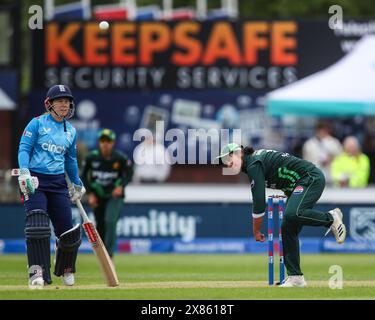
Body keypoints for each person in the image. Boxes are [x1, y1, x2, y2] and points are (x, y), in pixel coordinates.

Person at [217, 143, 346, 287]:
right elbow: (282, 171)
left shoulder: (253, 164)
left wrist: (256, 231)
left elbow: (259, 202)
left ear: (239, 153)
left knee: (293, 214)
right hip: (298, 184)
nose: (227, 164)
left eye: (228, 159)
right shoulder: (252, 163)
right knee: (287, 227)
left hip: (310, 178)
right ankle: (296, 277)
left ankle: (331, 218)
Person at [17, 84, 85, 289]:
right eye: (60, 101)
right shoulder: (36, 124)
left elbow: (70, 161)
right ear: (49, 104)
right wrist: (24, 171)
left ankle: (66, 268)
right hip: (35, 180)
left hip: (57, 183)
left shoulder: (70, 131)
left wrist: (77, 184)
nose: (65, 105)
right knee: (37, 226)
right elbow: (24, 149)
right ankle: (36, 272)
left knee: (68, 233)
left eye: (67, 101)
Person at [81, 128, 133, 257]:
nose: (105, 144)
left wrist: (121, 186)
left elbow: (130, 173)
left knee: (110, 220)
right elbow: (83, 176)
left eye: (108, 141)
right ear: (99, 142)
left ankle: (109, 254)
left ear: (113, 142)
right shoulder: (92, 157)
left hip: (114, 196)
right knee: (100, 224)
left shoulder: (119, 158)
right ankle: (102, 253)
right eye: (102, 141)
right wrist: (90, 194)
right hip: (98, 195)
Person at [302, 121, 342, 185]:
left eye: (324, 129)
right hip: (314, 176)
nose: (322, 132)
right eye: (320, 129)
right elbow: (305, 160)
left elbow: (340, 158)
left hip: (330, 176)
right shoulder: (309, 144)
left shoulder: (334, 142)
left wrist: (331, 158)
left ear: (328, 130)